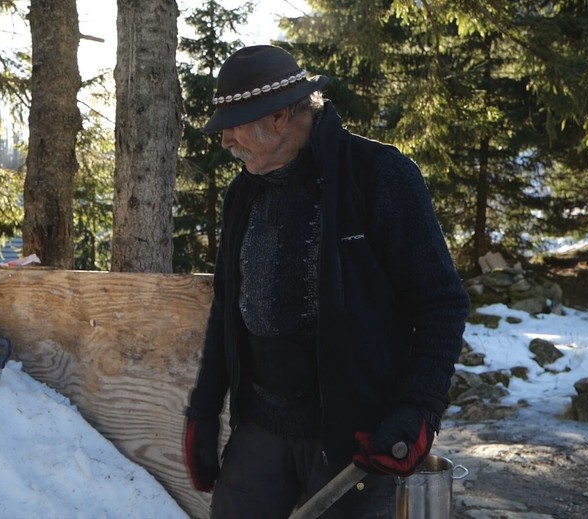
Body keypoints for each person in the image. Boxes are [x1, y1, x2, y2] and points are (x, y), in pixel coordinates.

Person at [182, 45, 470, 519]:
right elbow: (227, 309)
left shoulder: (378, 177)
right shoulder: (243, 193)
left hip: (353, 440)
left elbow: (442, 302)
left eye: (234, 125)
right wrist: (204, 409)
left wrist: (420, 409)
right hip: (261, 431)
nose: (226, 141)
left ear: (278, 118)